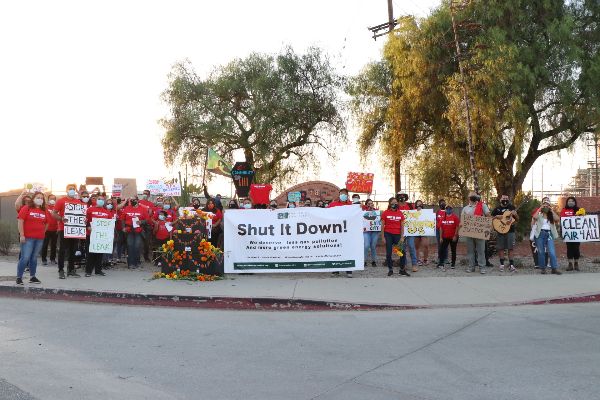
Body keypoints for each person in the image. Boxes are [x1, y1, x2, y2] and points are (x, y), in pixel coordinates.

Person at [16, 192, 49, 285]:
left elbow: (47, 222)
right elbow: (20, 221)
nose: (40, 199)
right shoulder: (26, 208)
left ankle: (32, 277)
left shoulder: (44, 210)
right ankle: (19, 277)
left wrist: (43, 231)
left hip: (39, 238)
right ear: (33, 199)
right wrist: (22, 235)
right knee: (25, 257)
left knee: (34, 258)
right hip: (27, 238)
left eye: (41, 198)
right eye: (38, 197)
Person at [52, 184, 84, 279]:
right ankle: (61, 270)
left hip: (75, 230)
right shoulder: (61, 201)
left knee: (73, 250)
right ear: (66, 190)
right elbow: (54, 214)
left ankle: (71, 270)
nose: (72, 190)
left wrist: (83, 221)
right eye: (70, 189)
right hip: (63, 229)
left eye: (73, 189)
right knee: (62, 250)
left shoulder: (78, 202)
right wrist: (61, 218)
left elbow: (81, 215)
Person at [460, 191, 491, 274]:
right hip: (469, 233)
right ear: (468, 198)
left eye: (474, 196)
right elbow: (462, 220)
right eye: (471, 196)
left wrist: (483, 221)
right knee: (470, 251)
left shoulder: (482, 205)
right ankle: (471, 267)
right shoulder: (465, 208)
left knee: (481, 250)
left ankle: (482, 267)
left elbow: (488, 215)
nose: (473, 197)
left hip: (480, 232)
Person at [85, 193, 113, 277]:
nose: (101, 200)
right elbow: (85, 220)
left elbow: (110, 224)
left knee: (100, 253)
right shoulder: (90, 210)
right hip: (91, 234)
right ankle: (88, 271)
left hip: (101, 236)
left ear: (104, 201)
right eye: (99, 199)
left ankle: (98, 270)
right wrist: (88, 227)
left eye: (102, 199)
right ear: (96, 200)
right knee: (90, 253)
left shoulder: (107, 212)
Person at [327, 188, 354, 277]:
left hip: (347, 232)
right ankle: (335, 270)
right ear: (339, 195)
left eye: (345, 194)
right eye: (341, 194)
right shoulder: (333, 205)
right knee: (335, 250)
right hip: (335, 231)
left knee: (347, 250)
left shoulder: (351, 205)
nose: (343, 195)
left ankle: (348, 270)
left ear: (347, 195)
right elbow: (325, 214)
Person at [381, 197, 409, 277]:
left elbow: (402, 226)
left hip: (397, 235)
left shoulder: (400, 213)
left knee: (401, 252)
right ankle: (390, 269)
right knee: (389, 253)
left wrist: (402, 237)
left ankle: (402, 270)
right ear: (390, 204)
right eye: (393, 203)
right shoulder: (385, 213)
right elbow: (382, 226)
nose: (395, 204)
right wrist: (383, 237)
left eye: (396, 203)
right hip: (388, 235)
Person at [532, 198, 561, 275]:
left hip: (549, 234)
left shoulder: (551, 215)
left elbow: (557, 219)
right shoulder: (539, 215)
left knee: (552, 252)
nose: (546, 206)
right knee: (541, 252)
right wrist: (540, 208)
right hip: (540, 234)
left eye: (547, 205)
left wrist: (551, 210)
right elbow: (534, 217)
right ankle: (543, 268)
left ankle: (554, 268)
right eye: (544, 205)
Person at [491, 194, 519, 273]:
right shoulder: (497, 209)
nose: (505, 199)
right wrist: (496, 216)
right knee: (501, 248)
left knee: (511, 248)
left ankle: (511, 265)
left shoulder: (512, 208)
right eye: (503, 198)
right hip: (500, 230)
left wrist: (515, 214)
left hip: (511, 231)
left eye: (506, 198)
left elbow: (517, 219)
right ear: (500, 199)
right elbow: (490, 218)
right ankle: (502, 265)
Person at [121, 197, 151, 268]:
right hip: (129, 230)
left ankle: (137, 261)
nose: (132, 201)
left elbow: (148, 220)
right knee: (130, 245)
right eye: (131, 200)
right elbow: (122, 219)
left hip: (138, 230)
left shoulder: (143, 209)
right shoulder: (127, 208)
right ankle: (130, 263)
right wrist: (123, 227)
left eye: (134, 200)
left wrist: (141, 222)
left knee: (137, 246)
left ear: (138, 201)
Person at [396, 192, 418, 271]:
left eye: (403, 196)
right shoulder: (396, 206)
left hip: (410, 230)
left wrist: (418, 210)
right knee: (401, 248)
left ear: (406, 197)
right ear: (397, 197)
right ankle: (403, 264)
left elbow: (416, 215)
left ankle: (414, 264)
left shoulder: (410, 205)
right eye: (400, 196)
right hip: (399, 230)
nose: (402, 197)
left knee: (411, 246)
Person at [561, 196, 582, 271]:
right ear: (567, 202)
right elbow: (562, 221)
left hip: (577, 233)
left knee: (576, 248)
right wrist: (562, 232)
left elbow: (583, 219)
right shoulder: (564, 210)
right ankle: (570, 264)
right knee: (569, 248)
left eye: (572, 201)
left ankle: (576, 263)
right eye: (569, 201)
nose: (571, 202)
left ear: (575, 202)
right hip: (568, 233)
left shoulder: (579, 209)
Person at [437, 204, 459, 271]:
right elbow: (440, 228)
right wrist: (440, 237)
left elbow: (457, 227)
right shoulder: (443, 217)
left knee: (453, 250)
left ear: (452, 209)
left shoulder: (455, 217)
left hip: (453, 237)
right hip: (445, 237)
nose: (448, 210)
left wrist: (455, 236)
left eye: (450, 208)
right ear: (445, 210)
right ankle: (441, 263)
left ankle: (453, 264)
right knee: (442, 250)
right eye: (447, 208)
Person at [41, 193, 58, 266]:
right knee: (45, 245)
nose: (52, 200)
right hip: (46, 229)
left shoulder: (57, 208)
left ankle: (53, 259)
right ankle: (44, 259)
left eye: (54, 199)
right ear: (48, 200)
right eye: (51, 199)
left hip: (55, 229)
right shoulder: (45, 207)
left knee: (54, 245)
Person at [362, 198, 380, 267]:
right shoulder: (363, 212)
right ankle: (364, 260)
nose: (370, 205)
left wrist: (373, 210)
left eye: (371, 204)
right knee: (366, 245)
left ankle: (373, 261)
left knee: (373, 246)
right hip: (366, 231)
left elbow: (379, 220)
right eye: (368, 204)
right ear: (366, 205)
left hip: (374, 232)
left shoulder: (376, 211)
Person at [413, 200, 429, 267]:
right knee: (416, 246)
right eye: (418, 205)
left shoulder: (426, 213)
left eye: (420, 205)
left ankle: (425, 259)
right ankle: (418, 260)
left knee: (426, 245)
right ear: (415, 205)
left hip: (424, 231)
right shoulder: (413, 212)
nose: (419, 206)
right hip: (416, 231)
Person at [435, 199, 447, 265]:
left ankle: (446, 258)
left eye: (444, 203)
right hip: (438, 230)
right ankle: (439, 258)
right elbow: (436, 220)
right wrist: (438, 226)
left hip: (445, 229)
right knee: (439, 244)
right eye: (441, 203)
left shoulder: (447, 211)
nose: (443, 204)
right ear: (439, 204)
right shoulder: (437, 212)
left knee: (445, 244)